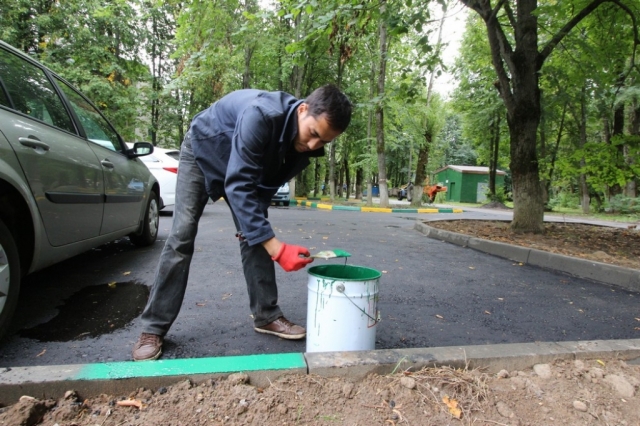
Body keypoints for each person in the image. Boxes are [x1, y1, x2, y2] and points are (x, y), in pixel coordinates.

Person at [132, 85, 352, 361]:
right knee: (182, 235)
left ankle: (266, 315)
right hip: (203, 151)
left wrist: (255, 231)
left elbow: (261, 188)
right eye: (314, 135)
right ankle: (153, 328)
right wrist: (277, 249)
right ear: (303, 109)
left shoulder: (302, 142)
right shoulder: (261, 115)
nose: (313, 146)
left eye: (324, 142)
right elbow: (238, 183)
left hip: (240, 167)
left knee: (256, 231)